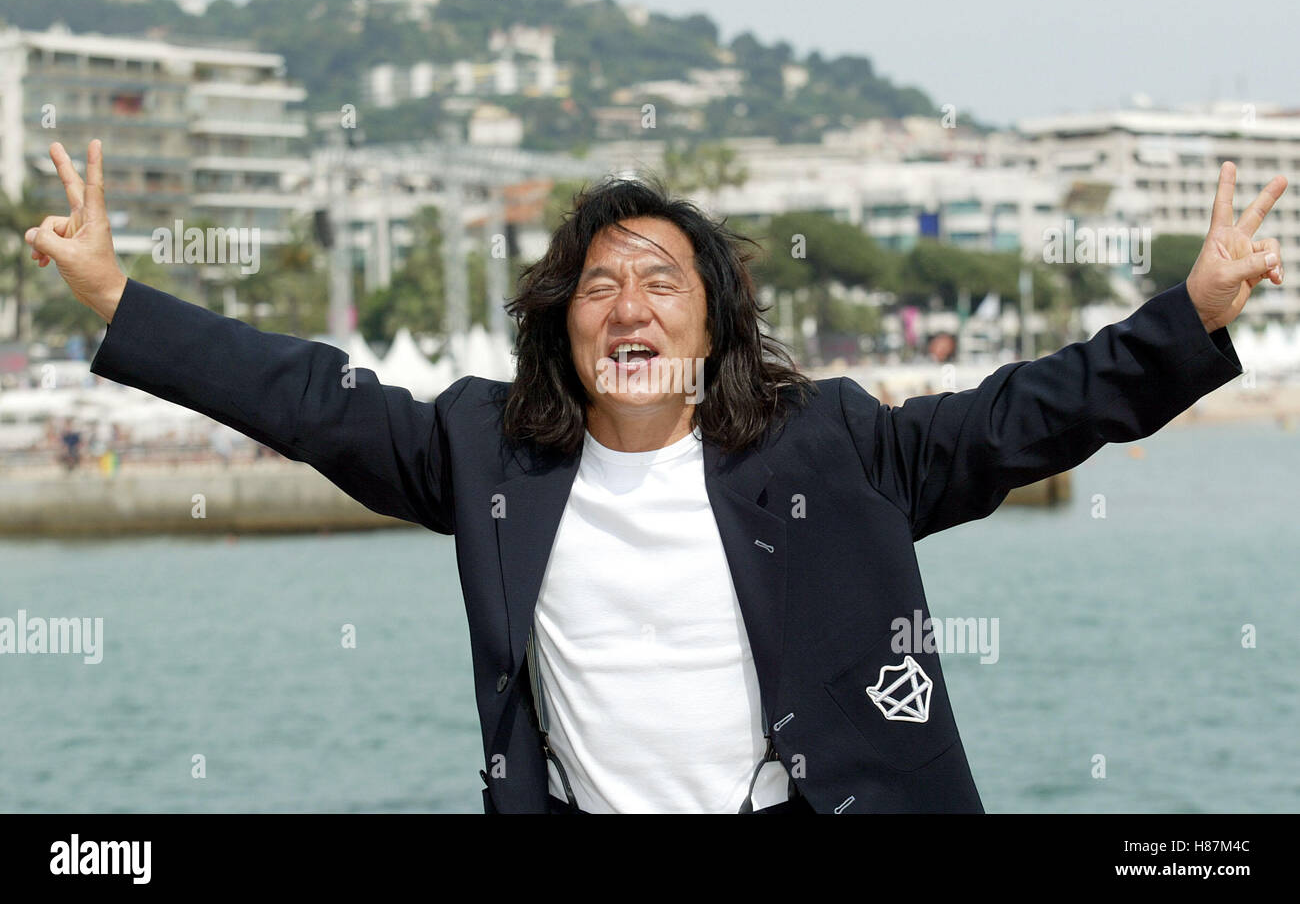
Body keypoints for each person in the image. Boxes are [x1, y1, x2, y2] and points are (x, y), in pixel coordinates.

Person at [24, 140, 1285, 813]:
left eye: (662, 281)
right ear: (563, 324)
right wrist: (117, 297)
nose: (627, 304)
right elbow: (302, 396)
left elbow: (1033, 412)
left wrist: (1190, 311)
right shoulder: (486, 454)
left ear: (713, 326)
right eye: (599, 284)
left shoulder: (833, 445)